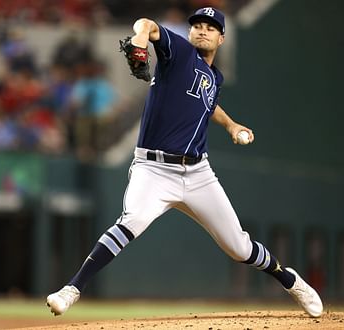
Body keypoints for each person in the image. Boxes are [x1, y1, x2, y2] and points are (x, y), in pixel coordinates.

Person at [46, 7, 323, 318]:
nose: (202, 30)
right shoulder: (178, 51)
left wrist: (231, 125)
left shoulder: (214, 77)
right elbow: (148, 25)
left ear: (222, 37)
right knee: (132, 221)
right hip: (154, 169)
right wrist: (139, 36)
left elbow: (208, 102)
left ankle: (290, 280)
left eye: (210, 27)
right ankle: (71, 289)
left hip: (198, 173)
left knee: (239, 247)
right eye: (197, 26)